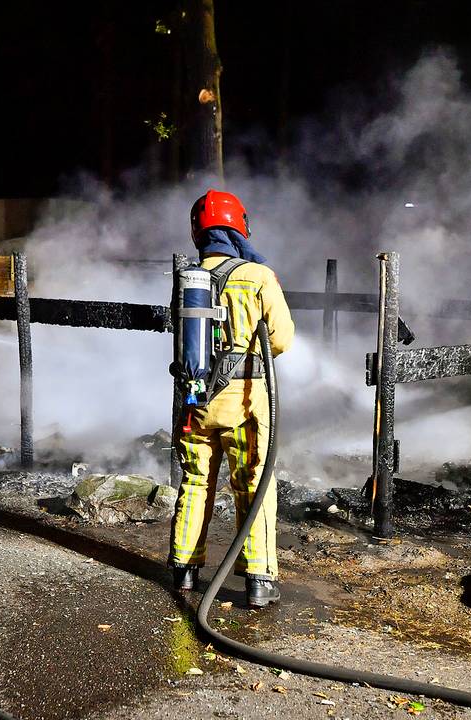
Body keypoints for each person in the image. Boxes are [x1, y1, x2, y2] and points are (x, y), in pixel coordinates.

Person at [168, 189, 295, 608]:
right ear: (238, 225)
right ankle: (259, 579)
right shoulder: (258, 276)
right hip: (244, 401)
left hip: (195, 401)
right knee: (254, 483)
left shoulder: (189, 280)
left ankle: (184, 570)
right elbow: (282, 338)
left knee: (195, 482)